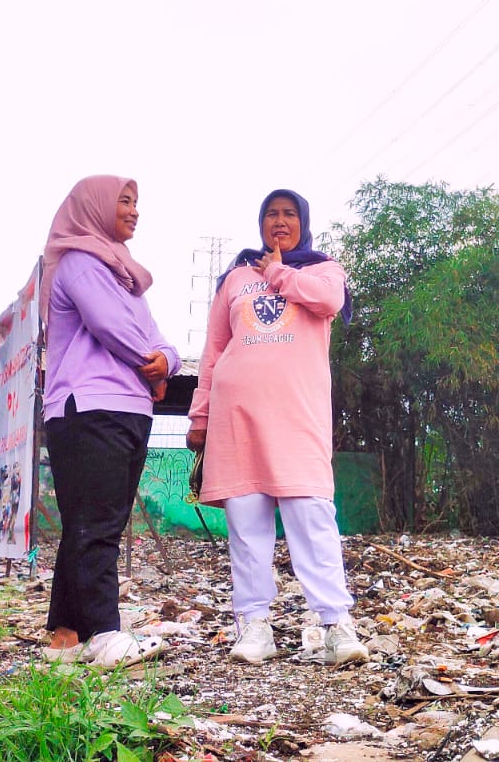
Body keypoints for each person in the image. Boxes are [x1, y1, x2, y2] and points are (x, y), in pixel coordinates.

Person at [187, 188, 368, 666]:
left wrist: (278, 272)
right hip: (237, 417)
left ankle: (335, 624)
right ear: (260, 222)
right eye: (271, 214)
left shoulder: (323, 269)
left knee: (311, 515)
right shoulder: (235, 278)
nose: (280, 221)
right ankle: (254, 625)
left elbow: (328, 301)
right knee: (247, 522)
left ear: (303, 222)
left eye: (289, 214)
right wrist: (200, 415)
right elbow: (213, 351)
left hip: (298, 415)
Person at [39, 175, 180, 669]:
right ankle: (104, 633)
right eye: (124, 201)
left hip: (127, 408)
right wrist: (153, 364)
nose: (134, 211)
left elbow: (158, 337)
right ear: (95, 207)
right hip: (88, 407)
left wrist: (167, 361)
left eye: (136, 202)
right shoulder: (79, 262)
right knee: (96, 524)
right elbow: (111, 326)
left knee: (93, 522)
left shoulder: (125, 277)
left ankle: (66, 638)